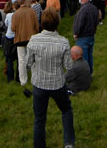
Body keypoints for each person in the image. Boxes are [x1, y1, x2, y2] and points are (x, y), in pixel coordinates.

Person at [26, 8, 76, 148]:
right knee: (66, 110)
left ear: (42, 23)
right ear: (57, 23)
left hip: (40, 83)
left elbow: (28, 63)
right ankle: (69, 143)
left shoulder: (34, 40)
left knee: (39, 119)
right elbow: (68, 65)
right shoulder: (63, 42)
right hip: (57, 83)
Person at [11, 0, 39, 86]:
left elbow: (13, 28)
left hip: (20, 39)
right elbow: (37, 26)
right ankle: (34, 78)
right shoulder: (32, 11)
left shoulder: (16, 14)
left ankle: (23, 80)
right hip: (31, 38)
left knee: (21, 60)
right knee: (33, 59)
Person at [73, 0, 99, 74]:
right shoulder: (94, 8)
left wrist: (76, 33)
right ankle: (90, 73)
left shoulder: (83, 10)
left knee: (84, 58)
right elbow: (97, 20)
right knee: (89, 55)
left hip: (83, 36)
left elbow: (79, 23)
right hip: (91, 35)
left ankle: (85, 75)